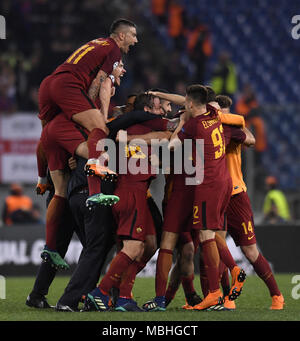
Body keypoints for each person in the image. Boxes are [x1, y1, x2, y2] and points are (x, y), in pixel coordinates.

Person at [216, 95, 285, 310]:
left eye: (225, 112)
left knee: (251, 251)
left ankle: (277, 295)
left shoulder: (235, 130)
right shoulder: (208, 130)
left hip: (236, 195)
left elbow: (251, 140)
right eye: (218, 111)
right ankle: (228, 297)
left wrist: (234, 125)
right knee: (217, 248)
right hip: (216, 196)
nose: (221, 115)